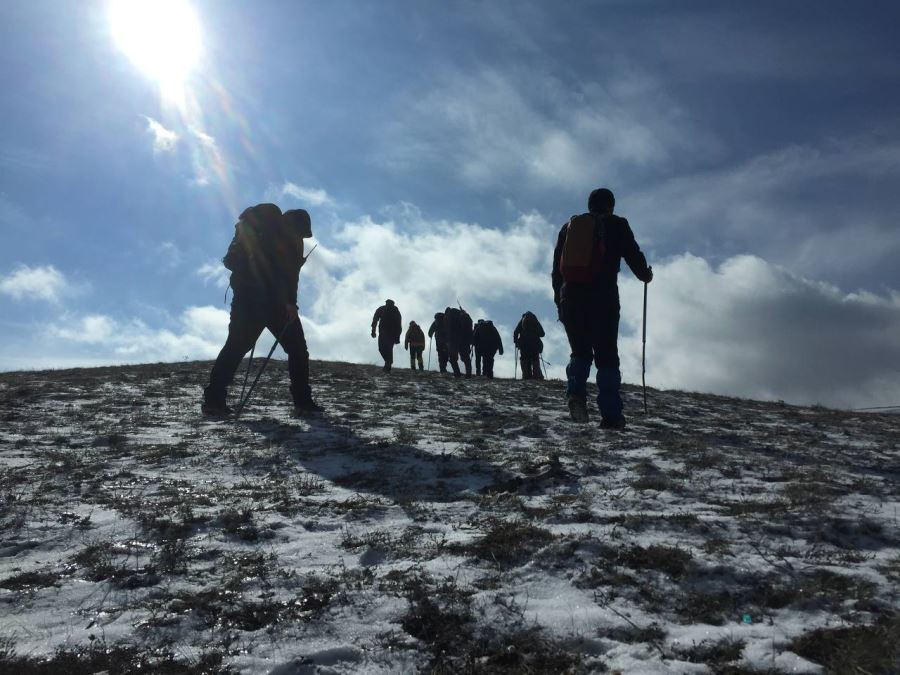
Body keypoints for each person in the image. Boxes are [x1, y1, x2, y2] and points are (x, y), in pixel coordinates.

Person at [202, 204, 320, 416]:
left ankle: (213, 399)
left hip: (246, 299)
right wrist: (290, 303)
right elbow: (286, 275)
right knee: (297, 350)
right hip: (275, 304)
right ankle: (302, 402)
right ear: (299, 226)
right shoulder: (286, 237)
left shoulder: (266, 232)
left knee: (235, 347)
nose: (302, 237)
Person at [552, 187, 652, 428]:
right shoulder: (617, 225)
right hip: (603, 298)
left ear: (589, 205)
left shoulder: (570, 227)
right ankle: (611, 415)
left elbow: (557, 268)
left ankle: (576, 393)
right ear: (611, 205)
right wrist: (645, 275)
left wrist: (559, 300)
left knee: (580, 351)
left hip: (571, 298)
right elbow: (632, 254)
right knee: (607, 355)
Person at [371, 299, 402, 372]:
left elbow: (375, 320)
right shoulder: (394, 311)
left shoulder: (383, 309)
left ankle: (388, 364)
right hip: (389, 333)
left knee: (383, 349)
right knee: (386, 349)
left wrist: (373, 331)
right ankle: (388, 362)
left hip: (386, 333)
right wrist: (397, 337)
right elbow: (399, 325)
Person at [513, 311, 545, 379]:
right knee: (535, 359)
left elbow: (516, 332)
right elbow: (542, 334)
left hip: (524, 344)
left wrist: (516, 342)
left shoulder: (522, 321)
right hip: (535, 343)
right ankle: (537, 376)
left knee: (524, 359)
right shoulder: (536, 322)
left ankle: (526, 376)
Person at [444, 306, 474, 377]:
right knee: (466, 357)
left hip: (453, 340)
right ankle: (468, 374)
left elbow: (447, 329)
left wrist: (447, 339)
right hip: (464, 340)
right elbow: (470, 328)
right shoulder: (465, 316)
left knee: (452, 358)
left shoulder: (448, 316)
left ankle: (457, 373)